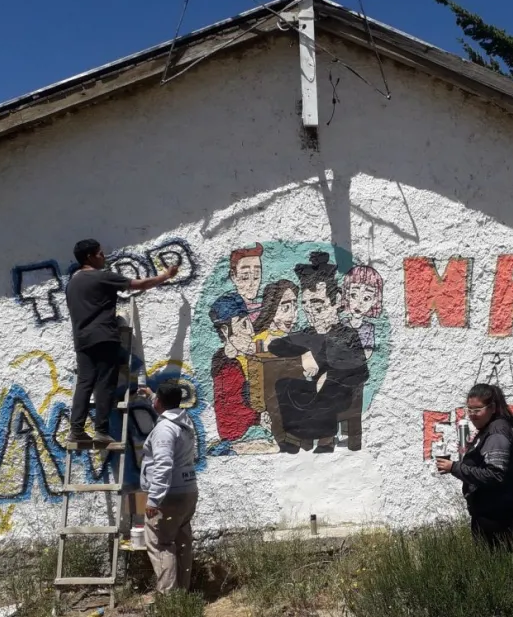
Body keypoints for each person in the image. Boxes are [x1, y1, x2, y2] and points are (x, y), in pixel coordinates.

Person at [65, 238, 178, 445]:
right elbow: (139, 284)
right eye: (100, 253)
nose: (104, 256)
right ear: (89, 257)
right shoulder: (101, 277)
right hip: (104, 337)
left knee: (84, 383)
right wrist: (165, 276)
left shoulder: (72, 282)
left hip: (82, 339)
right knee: (105, 383)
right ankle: (101, 430)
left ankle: (76, 429)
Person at [268, 252, 369, 453]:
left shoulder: (347, 335)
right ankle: (294, 438)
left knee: (327, 389)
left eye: (318, 306)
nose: (311, 314)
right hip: (313, 390)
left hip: (341, 392)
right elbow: (275, 345)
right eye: (305, 306)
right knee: (284, 384)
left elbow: (361, 372)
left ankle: (325, 442)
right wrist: (304, 354)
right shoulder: (307, 334)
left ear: (337, 301)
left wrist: (330, 376)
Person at [437, 384, 513, 550]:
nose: (472, 415)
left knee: (494, 566)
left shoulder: (497, 432)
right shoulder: (489, 429)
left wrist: (455, 468)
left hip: (499, 514)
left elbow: (494, 474)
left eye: (477, 410)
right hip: (492, 511)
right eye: (469, 410)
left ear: (492, 408)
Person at [140, 383, 199, 599]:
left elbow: (163, 465)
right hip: (188, 490)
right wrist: (152, 395)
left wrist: (154, 500)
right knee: (182, 541)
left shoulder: (164, 429)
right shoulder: (184, 420)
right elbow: (166, 406)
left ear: (159, 403)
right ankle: (182, 594)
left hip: (170, 495)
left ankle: (168, 599)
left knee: (161, 543)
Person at [208, 293, 261, 443]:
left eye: (249, 323)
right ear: (225, 331)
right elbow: (235, 412)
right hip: (241, 439)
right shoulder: (226, 366)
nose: (251, 331)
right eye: (244, 324)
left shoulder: (248, 358)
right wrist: (261, 417)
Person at [341, 265, 384, 360]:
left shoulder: (369, 328)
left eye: (366, 298)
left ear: (374, 300)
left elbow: (367, 353)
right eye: (354, 295)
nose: (359, 303)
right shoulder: (342, 324)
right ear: (347, 295)